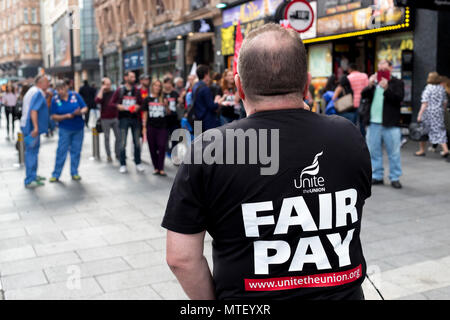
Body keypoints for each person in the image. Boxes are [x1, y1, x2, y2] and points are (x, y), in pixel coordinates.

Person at [163, 24, 372, 300]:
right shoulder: (347, 135)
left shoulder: (211, 149)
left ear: (239, 86)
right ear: (306, 83)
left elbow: (181, 258)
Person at [361, 59, 405, 189]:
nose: (382, 72)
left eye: (384, 69)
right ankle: (377, 175)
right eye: (380, 70)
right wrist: (369, 84)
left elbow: (398, 98)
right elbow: (364, 96)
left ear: (391, 68)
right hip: (373, 122)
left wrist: (386, 88)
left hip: (390, 123)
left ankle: (395, 177)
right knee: (374, 151)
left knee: (394, 152)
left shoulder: (397, 82)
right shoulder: (374, 84)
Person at [49, 81, 88, 182]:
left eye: (62, 89)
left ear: (66, 88)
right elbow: (53, 116)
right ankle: (56, 174)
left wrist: (80, 112)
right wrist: (66, 116)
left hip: (78, 128)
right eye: (58, 90)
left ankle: (74, 172)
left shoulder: (75, 95)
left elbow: (85, 107)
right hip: (64, 129)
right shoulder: (55, 99)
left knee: (76, 151)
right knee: (61, 151)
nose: (60, 91)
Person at [109, 71, 145, 174]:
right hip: (123, 119)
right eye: (131, 76)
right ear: (126, 78)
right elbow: (111, 103)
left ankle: (138, 162)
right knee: (123, 142)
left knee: (137, 142)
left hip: (135, 119)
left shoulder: (137, 91)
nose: (134, 78)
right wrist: (118, 106)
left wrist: (138, 107)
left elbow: (142, 104)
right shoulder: (120, 90)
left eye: (134, 76)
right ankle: (123, 164)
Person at [20, 75, 50, 188]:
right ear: (41, 83)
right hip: (31, 127)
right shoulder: (37, 93)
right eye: (47, 82)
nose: (48, 84)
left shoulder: (33, 91)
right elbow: (33, 111)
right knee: (31, 152)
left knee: (33, 151)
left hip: (29, 126)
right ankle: (30, 178)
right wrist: (36, 128)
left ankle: (33, 175)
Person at [415, 72, 449, 158]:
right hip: (438, 112)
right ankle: (445, 150)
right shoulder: (441, 88)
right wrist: (442, 110)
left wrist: (419, 114)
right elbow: (445, 102)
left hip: (428, 113)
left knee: (423, 131)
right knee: (440, 131)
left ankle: (422, 150)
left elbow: (425, 103)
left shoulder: (428, 88)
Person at [142, 80, 170, 176]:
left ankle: (161, 168)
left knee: (162, 146)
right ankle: (156, 168)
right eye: (156, 85)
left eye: (159, 86)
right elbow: (145, 114)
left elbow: (168, 113)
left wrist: (166, 106)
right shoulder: (147, 100)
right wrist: (144, 127)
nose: (157, 87)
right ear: (152, 87)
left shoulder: (163, 98)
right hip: (151, 126)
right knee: (152, 147)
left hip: (162, 126)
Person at [192, 65, 224, 132]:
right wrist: (219, 102)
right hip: (207, 120)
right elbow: (211, 106)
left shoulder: (195, 86)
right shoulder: (205, 88)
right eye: (209, 74)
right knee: (211, 141)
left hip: (197, 118)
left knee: (200, 140)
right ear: (206, 75)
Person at [95, 77, 120, 163]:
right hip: (105, 119)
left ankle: (117, 153)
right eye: (107, 84)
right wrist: (102, 89)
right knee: (107, 137)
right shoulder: (101, 93)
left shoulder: (114, 93)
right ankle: (108, 155)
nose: (109, 86)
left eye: (109, 84)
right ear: (103, 85)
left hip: (115, 117)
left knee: (118, 136)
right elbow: (97, 101)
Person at [162, 76, 181, 159]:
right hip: (164, 119)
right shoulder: (161, 94)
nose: (168, 85)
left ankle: (174, 154)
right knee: (164, 137)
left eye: (170, 83)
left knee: (175, 137)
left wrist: (180, 102)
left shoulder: (175, 93)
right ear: (164, 83)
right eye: (167, 83)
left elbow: (179, 106)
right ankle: (166, 151)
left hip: (174, 119)